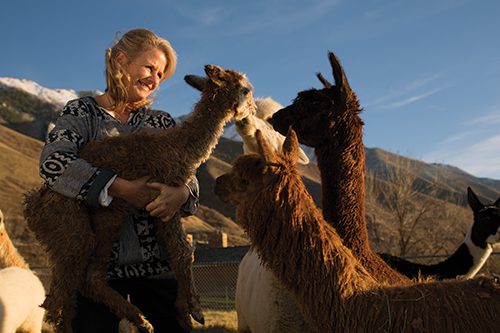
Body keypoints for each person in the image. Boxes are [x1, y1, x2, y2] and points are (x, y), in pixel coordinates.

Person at [39, 28, 198, 333]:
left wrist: (181, 193)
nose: (155, 78)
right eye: (149, 67)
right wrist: (120, 187)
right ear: (122, 60)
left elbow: (187, 175)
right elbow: (53, 163)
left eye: (161, 74)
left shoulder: (160, 122)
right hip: (95, 271)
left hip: (157, 269)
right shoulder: (81, 113)